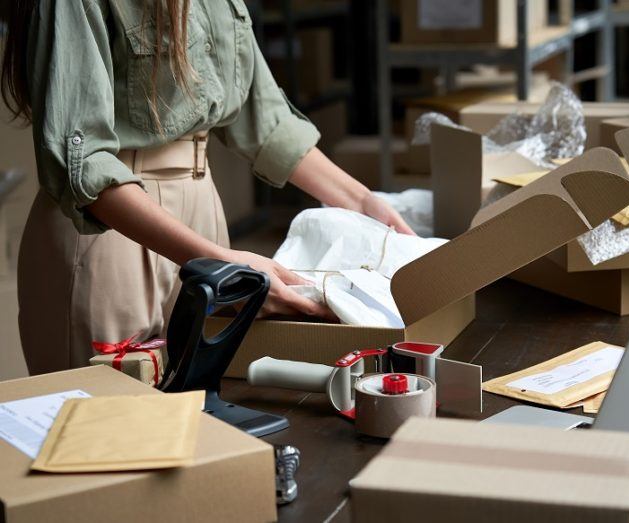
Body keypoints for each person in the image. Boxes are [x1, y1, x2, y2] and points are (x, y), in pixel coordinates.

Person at [0, 0, 414, 375]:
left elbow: (263, 119)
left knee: (201, 410)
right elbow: (85, 160)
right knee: (111, 423)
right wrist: (221, 264)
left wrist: (362, 201)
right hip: (110, 224)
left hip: (201, 208)